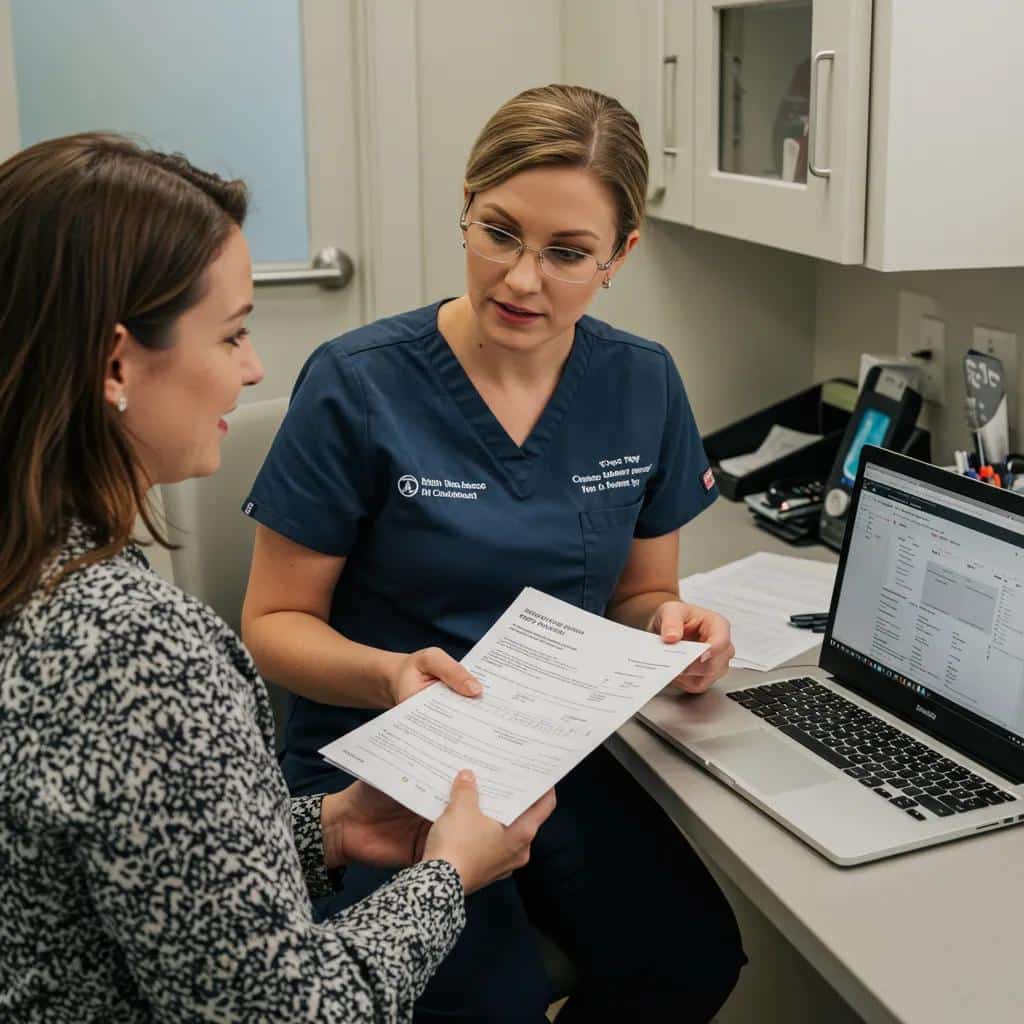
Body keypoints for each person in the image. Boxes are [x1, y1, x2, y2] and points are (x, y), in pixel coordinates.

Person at [0, 132, 554, 1023]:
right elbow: (288, 1013)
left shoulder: (30, 574)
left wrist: (329, 829)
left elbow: (141, 879)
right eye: (232, 334)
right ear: (115, 365)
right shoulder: (135, 652)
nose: (254, 368)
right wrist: (450, 876)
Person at [242, 84, 747, 1023]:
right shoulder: (357, 384)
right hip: (376, 767)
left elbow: (644, 592)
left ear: (620, 257)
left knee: (690, 956)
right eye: (499, 233)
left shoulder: (642, 382)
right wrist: (396, 675)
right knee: (486, 1005)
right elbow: (272, 626)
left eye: (566, 254)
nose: (521, 279)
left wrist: (674, 629)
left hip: (551, 755)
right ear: (465, 209)